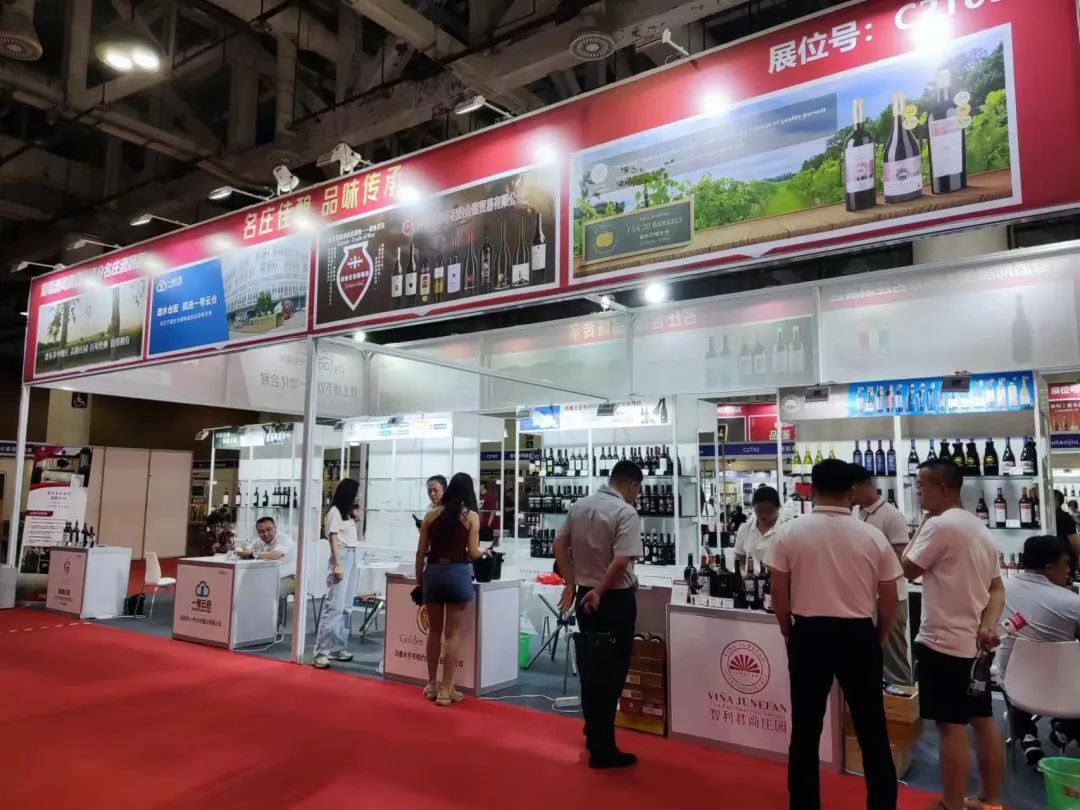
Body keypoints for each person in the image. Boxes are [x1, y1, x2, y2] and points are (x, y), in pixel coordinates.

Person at [764, 459, 900, 810]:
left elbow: (778, 591)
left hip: (809, 634)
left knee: (805, 730)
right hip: (858, 634)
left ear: (812, 489)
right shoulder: (872, 536)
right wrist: (878, 635)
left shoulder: (790, 532)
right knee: (872, 730)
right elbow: (889, 597)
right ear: (851, 492)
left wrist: (788, 630)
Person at [902, 459, 1004, 810]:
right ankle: (990, 799)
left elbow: (906, 568)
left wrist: (922, 524)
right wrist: (988, 624)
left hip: (942, 641)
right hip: (975, 646)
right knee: (983, 720)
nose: (919, 492)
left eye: (922, 486)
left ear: (942, 487)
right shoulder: (979, 528)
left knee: (950, 726)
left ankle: (951, 803)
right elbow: (997, 588)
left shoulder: (939, 525)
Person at [554, 459, 643, 770]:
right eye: (637, 490)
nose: (636, 496)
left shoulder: (580, 505)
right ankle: (603, 749)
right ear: (632, 485)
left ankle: (594, 733)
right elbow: (621, 560)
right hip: (612, 599)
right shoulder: (626, 512)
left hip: (585, 597)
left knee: (591, 669)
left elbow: (558, 544)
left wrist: (571, 583)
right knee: (613, 673)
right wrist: (601, 591)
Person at [995, 534, 1080, 765]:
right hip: (1064, 694)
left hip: (1014, 688)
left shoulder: (1000, 591)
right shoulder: (1072, 603)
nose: (1069, 570)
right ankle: (1065, 729)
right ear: (1049, 568)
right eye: (1066, 564)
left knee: (1012, 669)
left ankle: (1027, 735)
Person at [415, 472, 485, 707]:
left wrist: (420, 580)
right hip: (458, 574)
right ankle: (446, 690)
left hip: (433, 573)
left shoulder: (431, 515)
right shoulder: (470, 516)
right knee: (452, 634)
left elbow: (420, 552)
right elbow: (473, 552)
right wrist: (485, 552)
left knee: (434, 632)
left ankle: (432, 684)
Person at [850, 465, 913, 685]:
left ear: (866, 484)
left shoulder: (892, 515)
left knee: (893, 655)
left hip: (891, 597)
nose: (849, 494)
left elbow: (900, 558)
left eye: (852, 488)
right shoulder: (855, 513)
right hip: (864, 596)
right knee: (868, 653)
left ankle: (902, 698)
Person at [313, 478, 361, 670]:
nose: (358, 495)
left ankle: (338, 647)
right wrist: (338, 564)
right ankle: (321, 652)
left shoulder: (346, 512)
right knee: (335, 606)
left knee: (346, 606)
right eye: (356, 492)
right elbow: (332, 539)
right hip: (342, 554)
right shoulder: (334, 512)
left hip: (352, 554)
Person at [236, 516, 296, 608]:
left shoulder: (284, 539)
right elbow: (246, 550)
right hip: (267, 578)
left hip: (289, 578)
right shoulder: (258, 541)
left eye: (269, 529)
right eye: (261, 531)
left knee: (269, 589)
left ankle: (276, 618)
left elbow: (275, 555)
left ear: (275, 527)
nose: (265, 534)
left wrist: (252, 554)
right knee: (243, 586)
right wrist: (239, 550)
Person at [733, 485, 780, 570]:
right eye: (760, 510)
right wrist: (743, 572)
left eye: (769, 510)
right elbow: (739, 557)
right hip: (750, 577)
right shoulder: (745, 529)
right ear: (753, 508)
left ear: (777, 508)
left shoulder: (786, 530)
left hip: (777, 578)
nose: (764, 515)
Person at [478, 479, 500, 546]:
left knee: (491, 542)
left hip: (489, 524)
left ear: (482, 485)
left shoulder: (490, 495)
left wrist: (489, 522)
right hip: (482, 523)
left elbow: (493, 510)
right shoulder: (479, 496)